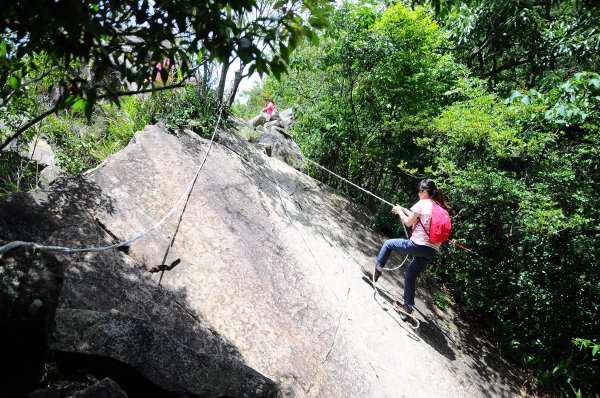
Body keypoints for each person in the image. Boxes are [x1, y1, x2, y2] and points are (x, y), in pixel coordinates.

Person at [362, 179, 450, 321]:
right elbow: (417, 218)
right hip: (431, 250)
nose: (418, 194)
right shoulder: (438, 207)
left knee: (388, 244)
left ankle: (376, 271)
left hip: (418, 244)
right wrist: (402, 209)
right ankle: (407, 308)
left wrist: (398, 212)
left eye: (419, 191)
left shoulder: (423, 203)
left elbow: (409, 222)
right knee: (410, 274)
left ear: (424, 192)